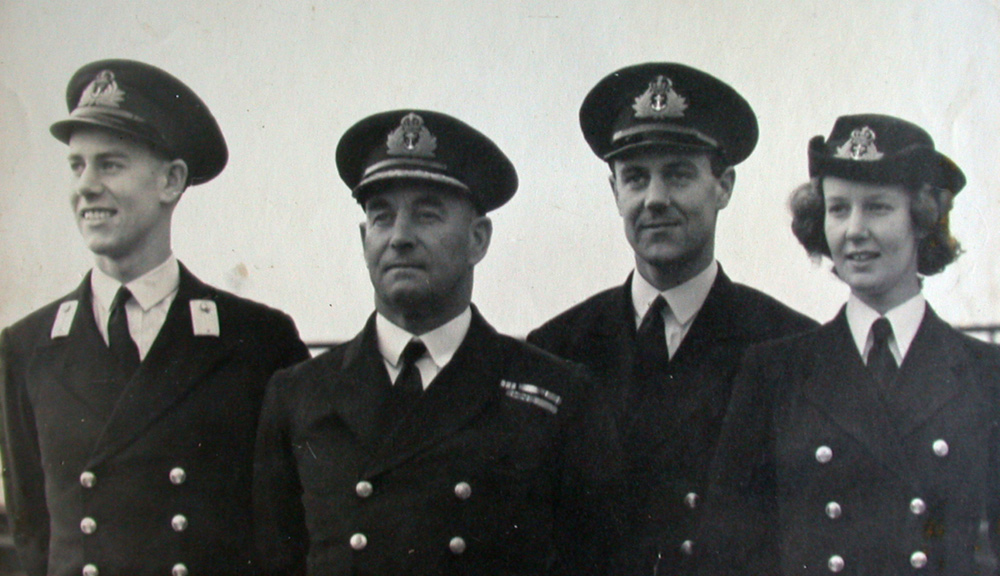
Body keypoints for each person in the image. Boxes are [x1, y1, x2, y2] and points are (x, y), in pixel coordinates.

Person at [253, 109, 622, 576]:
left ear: (478, 240)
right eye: (382, 217)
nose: (400, 237)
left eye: (427, 215)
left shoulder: (558, 395)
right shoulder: (298, 396)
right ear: (364, 239)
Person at [0, 59, 309, 576]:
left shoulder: (257, 342)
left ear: (171, 181)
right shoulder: (25, 347)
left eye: (110, 165)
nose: (87, 186)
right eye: (77, 166)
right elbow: (32, 537)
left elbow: (287, 532)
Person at [526, 62, 818, 575]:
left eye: (678, 174)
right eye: (635, 178)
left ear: (723, 187)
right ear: (614, 192)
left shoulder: (789, 347)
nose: (654, 199)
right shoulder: (556, 348)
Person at [697, 114, 1000, 575]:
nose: (854, 230)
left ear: (922, 219)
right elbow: (729, 553)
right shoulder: (775, 371)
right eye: (839, 209)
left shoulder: (986, 374)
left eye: (877, 207)